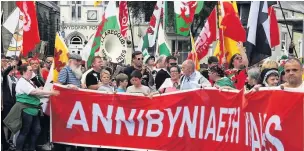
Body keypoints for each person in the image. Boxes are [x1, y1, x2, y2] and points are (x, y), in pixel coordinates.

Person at [3, 64, 59, 151]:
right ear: (24, 72)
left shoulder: (29, 82)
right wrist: (51, 93)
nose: (32, 72)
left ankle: (31, 148)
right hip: (25, 109)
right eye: (30, 70)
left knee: (37, 130)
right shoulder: (22, 82)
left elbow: (39, 92)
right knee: (24, 131)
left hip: (33, 109)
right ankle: (19, 149)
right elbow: (34, 92)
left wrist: (48, 95)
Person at [1, 58, 19, 150]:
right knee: (6, 123)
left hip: (13, 103)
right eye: (4, 61)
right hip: (5, 103)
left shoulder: (14, 78)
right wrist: (10, 66)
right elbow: (4, 73)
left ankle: (10, 140)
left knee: (11, 123)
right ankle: (6, 141)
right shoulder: (3, 76)